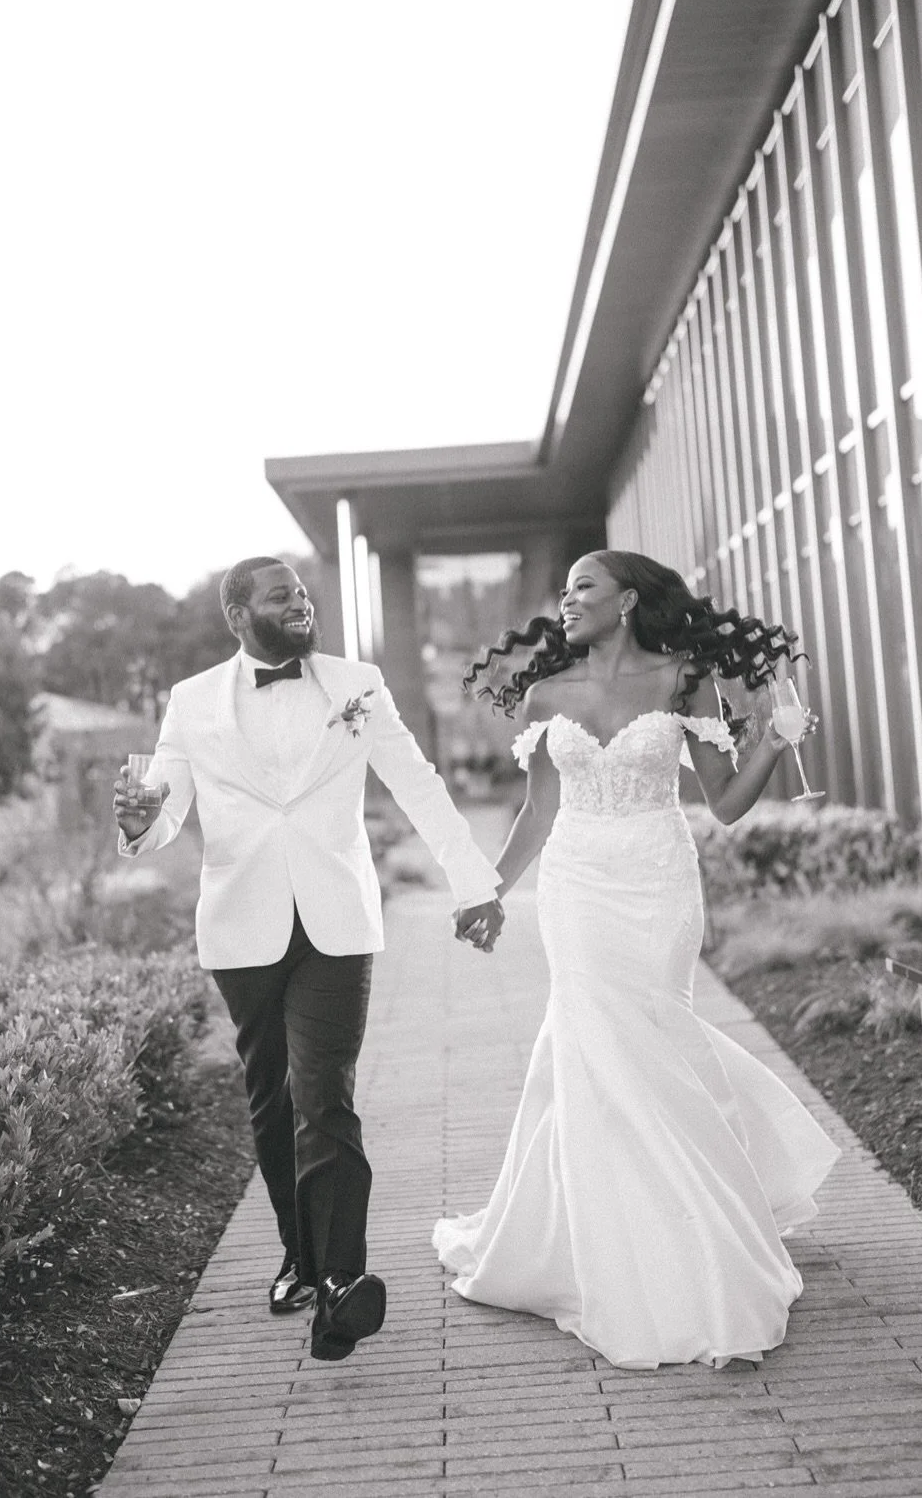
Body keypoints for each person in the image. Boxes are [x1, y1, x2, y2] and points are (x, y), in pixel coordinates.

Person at [434, 549, 840, 1369]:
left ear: (626, 600)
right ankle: (624, 1243)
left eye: (583, 583)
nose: (568, 596)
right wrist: (489, 890)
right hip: (577, 887)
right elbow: (537, 813)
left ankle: (696, 1226)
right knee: (599, 1045)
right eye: (565, 584)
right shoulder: (547, 695)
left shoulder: (684, 680)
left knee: (653, 1038)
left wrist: (770, 740)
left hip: (657, 882)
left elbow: (724, 804)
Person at [114, 556, 502, 1362]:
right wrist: (135, 821)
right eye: (279, 595)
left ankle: (338, 1285)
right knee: (269, 1095)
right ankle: (299, 1254)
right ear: (237, 616)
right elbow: (163, 811)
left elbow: (417, 784)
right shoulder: (191, 702)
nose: (300, 603)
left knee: (324, 1096)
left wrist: (473, 882)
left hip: (335, 920)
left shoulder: (356, 682)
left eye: (302, 591)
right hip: (241, 926)